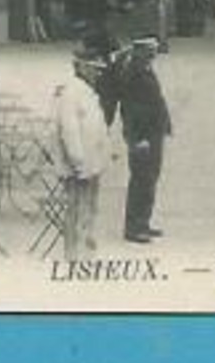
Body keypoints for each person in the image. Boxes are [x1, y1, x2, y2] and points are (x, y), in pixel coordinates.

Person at [51, 45, 113, 261]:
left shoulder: (87, 92)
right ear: (82, 68)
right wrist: (79, 164)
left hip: (91, 164)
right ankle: (73, 257)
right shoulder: (71, 94)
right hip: (79, 168)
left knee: (89, 212)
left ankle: (86, 254)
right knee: (76, 212)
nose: (98, 73)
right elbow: (70, 132)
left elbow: (97, 127)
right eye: (94, 68)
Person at [118, 37, 173, 243]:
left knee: (149, 179)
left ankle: (143, 222)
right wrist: (138, 138)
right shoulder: (135, 74)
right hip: (143, 136)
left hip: (152, 134)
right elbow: (131, 111)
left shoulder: (143, 69)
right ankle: (134, 227)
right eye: (151, 49)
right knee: (142, 180)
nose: (155, 53)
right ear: (142, 51)